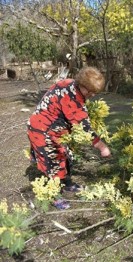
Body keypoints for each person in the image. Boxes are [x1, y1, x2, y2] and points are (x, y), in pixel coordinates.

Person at [27, 66, 111, 209]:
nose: (91, 94)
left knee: (64, 158)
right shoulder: (73, 99)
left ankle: (66, 184)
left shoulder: (69, 83)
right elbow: (85, 128)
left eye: (94, 92)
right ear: (81, 83)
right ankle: (53, 195)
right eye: (89, 91)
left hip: (55, 130)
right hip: (42, 130)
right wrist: (102, 147)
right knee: (52, 164)